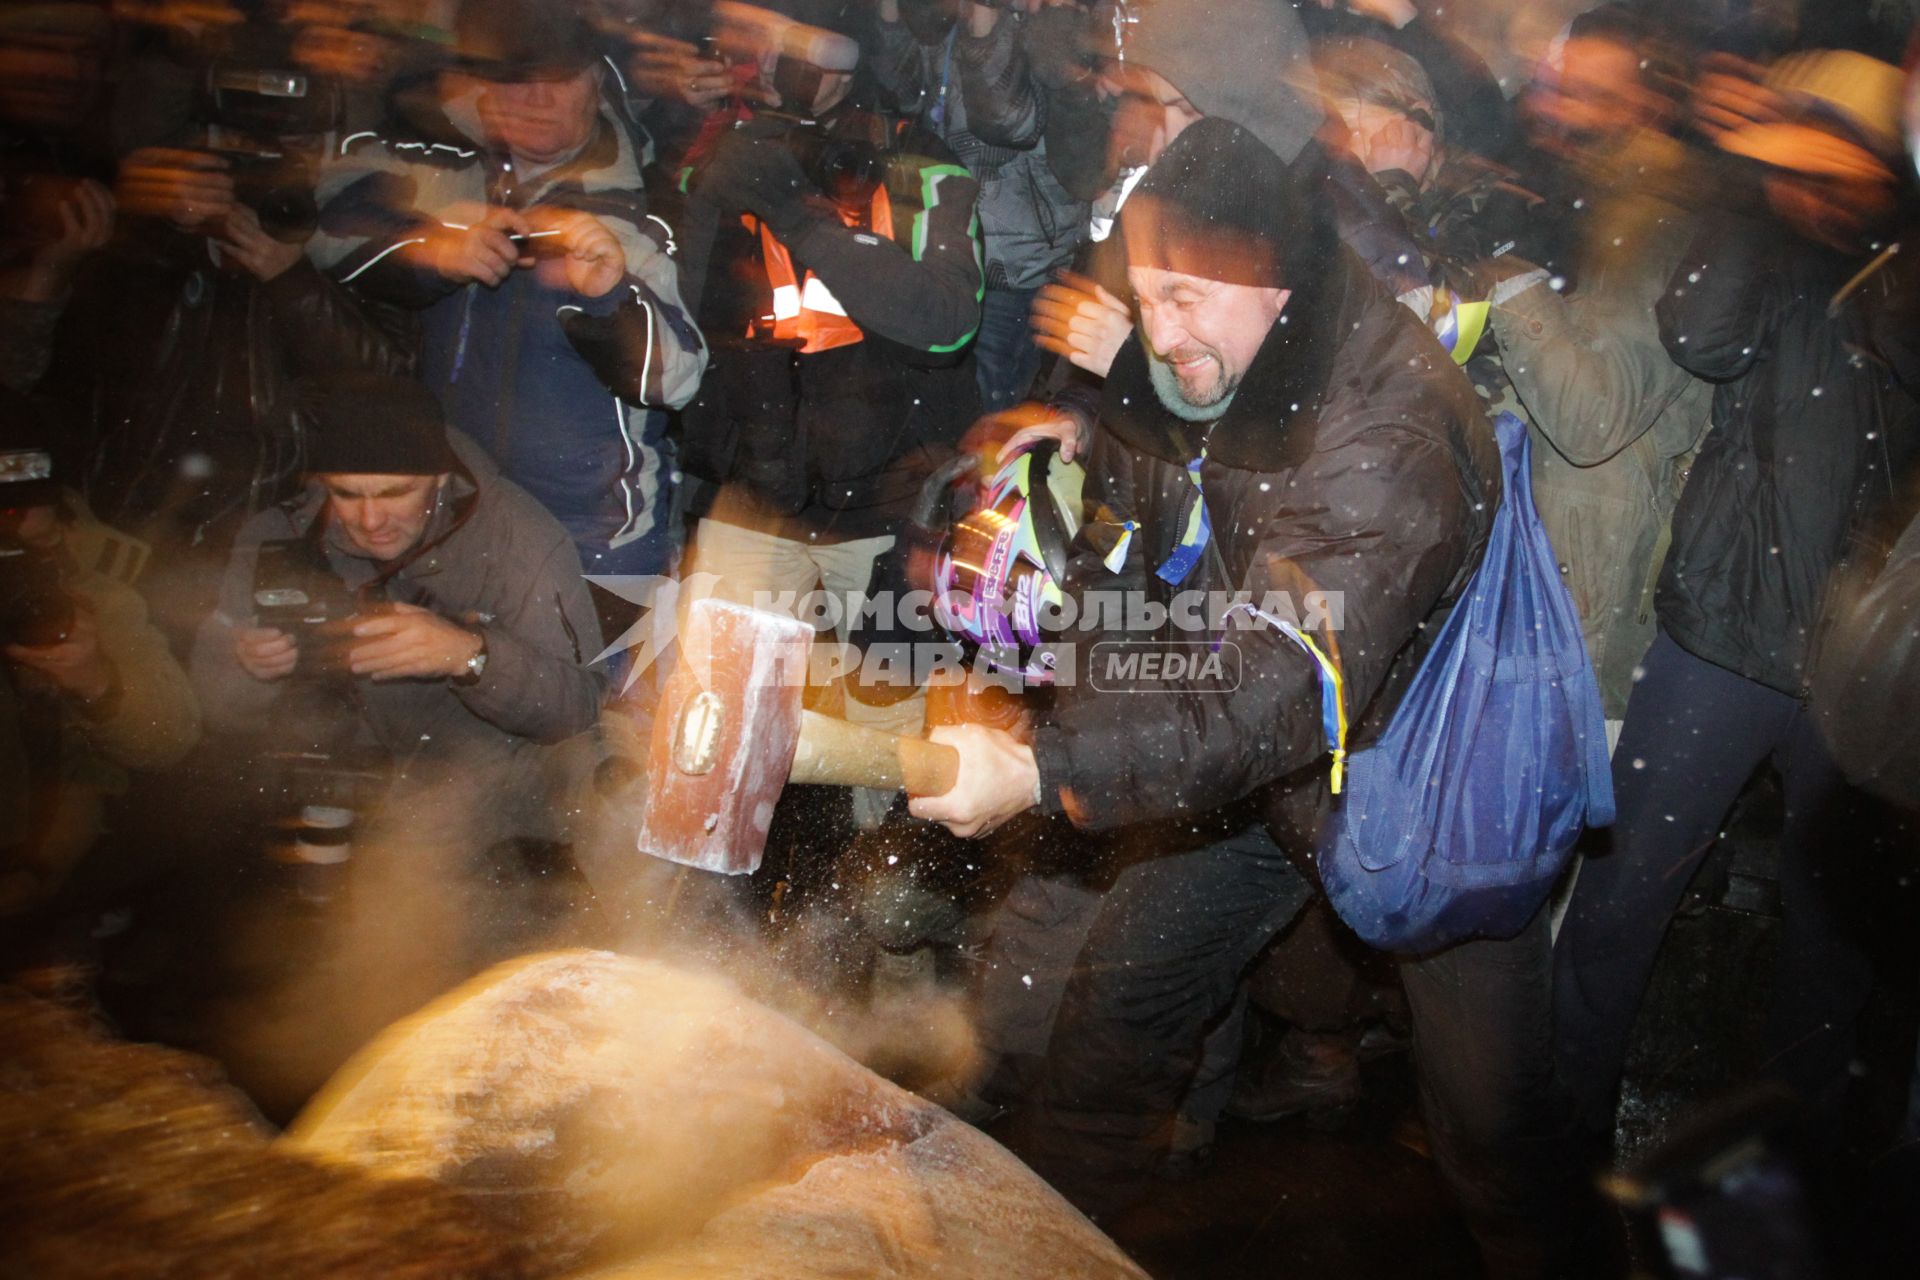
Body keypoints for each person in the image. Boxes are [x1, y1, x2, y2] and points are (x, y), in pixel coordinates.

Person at [913, 119, 1596, 1278]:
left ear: (1268, 273)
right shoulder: (1235, 349)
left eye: (1183, 298)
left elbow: (1276, 685)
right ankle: (1020, 1257)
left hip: (1418, 776)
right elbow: (1164, 490)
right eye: (1147, 295)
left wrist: (1044, 770)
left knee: (1495, 1138)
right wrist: (1080, 451)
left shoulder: (1386, 434)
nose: (1160, 328)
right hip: (1271, 770)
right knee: (1116, 1021)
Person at [1554, 49, 1920, 1161]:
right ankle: (1555, 1145)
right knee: (1621, 909)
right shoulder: (1762, 233)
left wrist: (1866, 225)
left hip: (1855, 658)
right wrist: (1756, 192)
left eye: (1825, 132)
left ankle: (1790, 1171)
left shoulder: (1900, 255)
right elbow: (1697, 331)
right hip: (1725, 632)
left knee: (1830, 942)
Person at [669, 6, 983, 822]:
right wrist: (712, 183)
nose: (760, 64)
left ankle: (892, 911)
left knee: (891, 747)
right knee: (711, 723)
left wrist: (803, 219)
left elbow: (945, 318)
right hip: (755, 493)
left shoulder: (917, 158)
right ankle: (701, 901)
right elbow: (681, 314)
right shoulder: (729, 150)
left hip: (883, 508)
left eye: (783, 49)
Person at [311, 0, 706, 585]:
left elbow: (678, 378)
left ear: (595, 83)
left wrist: (606, 295)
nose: (536, 100)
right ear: (484, 88)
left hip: (593, 543)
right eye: (516, 81)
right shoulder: (444, 163)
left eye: (558, 80)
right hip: (454, 520)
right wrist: (431, 250)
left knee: (597, 679)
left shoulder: (642, 206)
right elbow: (322, 231)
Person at [190, 372, 607, 858]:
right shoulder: (279, 539)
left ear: (439, 477)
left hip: (477, 780)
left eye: (394, 493)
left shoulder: (515, 535)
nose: (370, 520)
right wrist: (247, 668)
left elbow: (582, 710)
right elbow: (209, 708)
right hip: (327, 771)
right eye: (346, 494)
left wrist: (471, 657)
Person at [2, 393, 200, 922]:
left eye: (20, 509)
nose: (12, 529)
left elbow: (169, 738)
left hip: (45, 859)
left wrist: (96, 682)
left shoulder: (90, 594)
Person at [871, 0, 1087, 411]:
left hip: (1017, 264)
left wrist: (985, 20)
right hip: (953, 248)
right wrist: (891, 13)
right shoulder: (943, 21)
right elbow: (900, 94)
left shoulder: (1039, 24)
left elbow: (1009, 122)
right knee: (959, 406)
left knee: (996, 409)